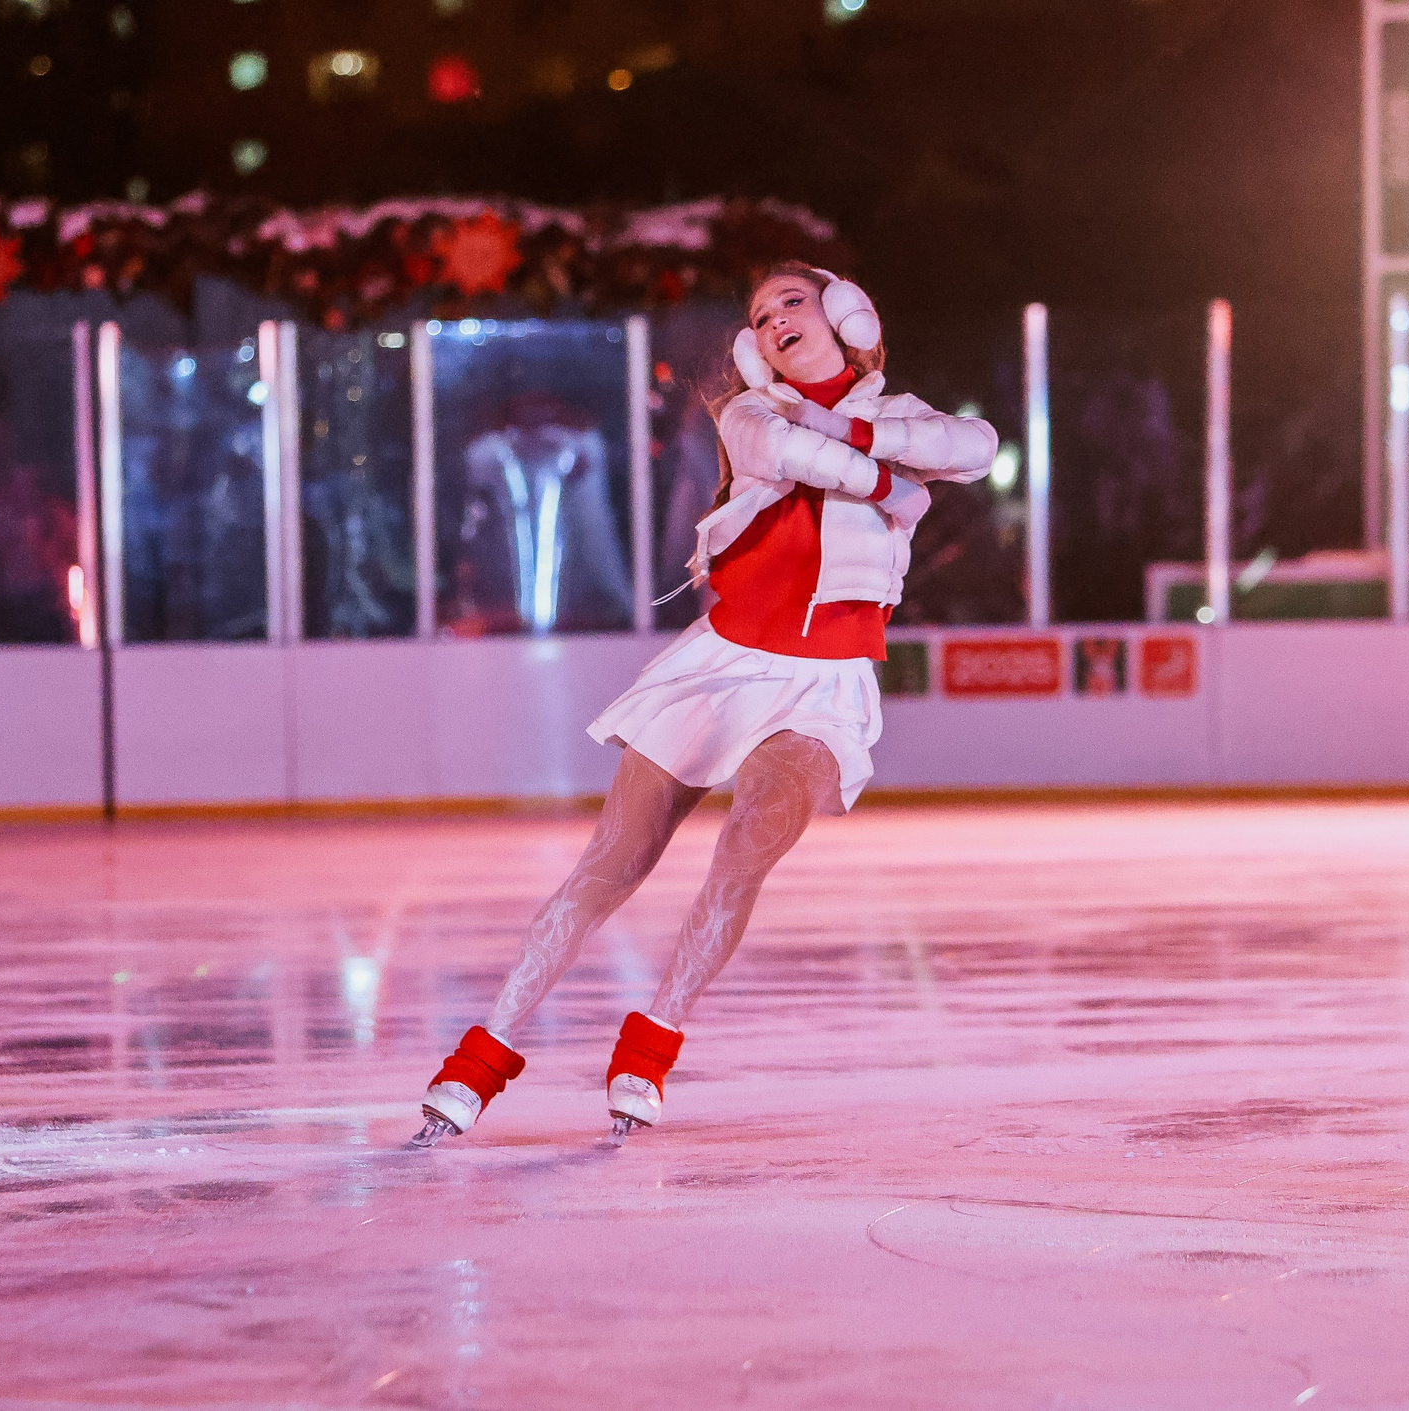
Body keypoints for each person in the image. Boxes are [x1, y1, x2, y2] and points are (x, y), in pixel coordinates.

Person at [410, 262, 999, 1145]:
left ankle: (648, 1052)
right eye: (759, 317)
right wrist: (894, 483)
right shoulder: (751, 413)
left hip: (826, 683)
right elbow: (798, 457)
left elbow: (976, 446)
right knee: (612, 865)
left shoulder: (899, 416)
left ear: (847, 313)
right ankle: (479, 1059)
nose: (774, 322)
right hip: (722, 665)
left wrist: (868, 437)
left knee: (744, 850)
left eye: (792, 302)